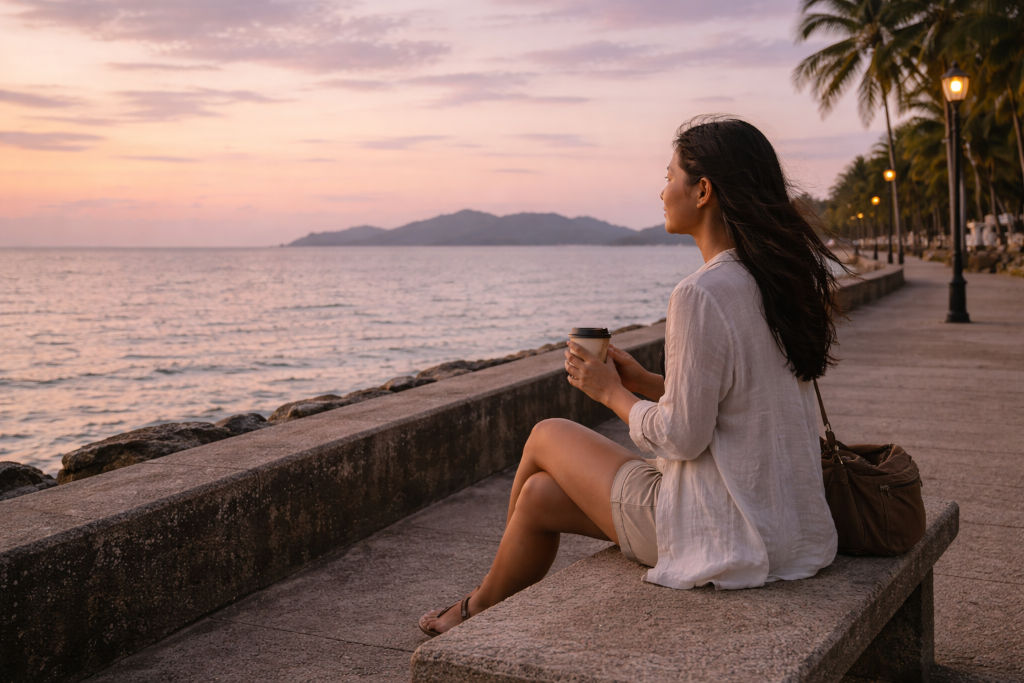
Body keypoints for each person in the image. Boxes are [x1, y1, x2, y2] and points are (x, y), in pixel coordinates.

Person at [419, 115, 841, 637]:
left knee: (545, 434)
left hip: (719, 531)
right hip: (787, 528)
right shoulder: (776, 281)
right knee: (540, 498)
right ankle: (482, 607)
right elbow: (739, 404)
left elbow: (683, 436)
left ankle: (474, 608)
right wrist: (645, 382)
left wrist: (611, 393)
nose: (662, 191)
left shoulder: (701, 293)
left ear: (703, 190)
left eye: (669, 176)